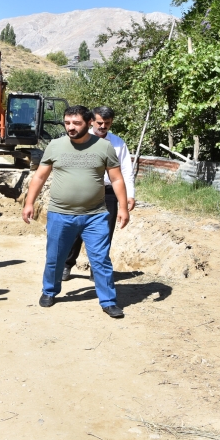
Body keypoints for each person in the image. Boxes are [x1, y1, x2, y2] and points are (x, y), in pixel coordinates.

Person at [21, 105, 130, 318]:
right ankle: (49, 291)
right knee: (55, 257)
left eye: (76, 123)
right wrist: (29, 203)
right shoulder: (55, 146)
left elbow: (117, 178)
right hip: (60, 214)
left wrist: (123, 207)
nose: (71, 127)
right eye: (67, 123)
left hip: (95, 215)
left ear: (89, 123)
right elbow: (40, 177)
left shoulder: (104, 147)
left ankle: (108, 301)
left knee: (100, 259)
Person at [62, 105, 136, 281]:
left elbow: (126, 171)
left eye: (107, 123)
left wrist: (129, 195)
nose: (103, 127)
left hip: (108, 193)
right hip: (82, 192)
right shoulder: (79, 140)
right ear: (91, 121)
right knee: (76, 230)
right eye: (100, 122)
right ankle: (66, 264)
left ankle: (97, 269)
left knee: (104, 232)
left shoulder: (118, 143)